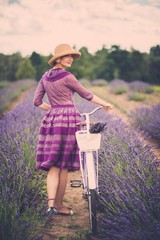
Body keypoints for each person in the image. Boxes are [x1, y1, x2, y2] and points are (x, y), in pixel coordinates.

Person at [33, 43, 112, 216]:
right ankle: (59, 205)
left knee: (54, 164)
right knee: (63, 165)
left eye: (72, 57)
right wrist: (105, 103)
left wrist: (55, 110)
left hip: (51, 121)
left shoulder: (45, 77)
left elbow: (37, 102)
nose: (70, 59)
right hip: (69, 120)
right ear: (58, 59)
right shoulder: (68, 77)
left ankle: (51, 205)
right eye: (67, 56)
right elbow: (87, 95)